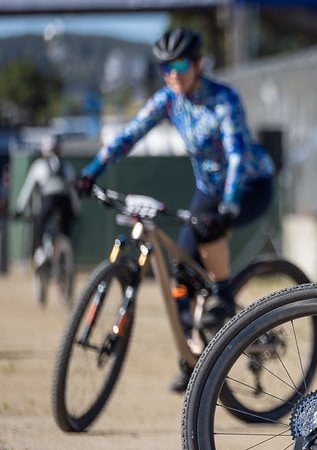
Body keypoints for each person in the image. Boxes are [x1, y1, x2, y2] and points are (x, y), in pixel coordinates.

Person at [75, 28, 277, 392]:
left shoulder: (223, 99)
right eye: (165, 67)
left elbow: (236, 155)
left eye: (181, 65)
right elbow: (129, 134)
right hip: (208, 189)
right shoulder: (169, 99)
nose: (173, 74)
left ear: (198, 64)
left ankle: (223, 292)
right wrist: (91, 171)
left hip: (248, 185)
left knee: (209, 232)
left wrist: (230, 205)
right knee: (180, 269)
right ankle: (193, 360)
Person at [13, 134, 80, 267]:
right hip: (65, 202)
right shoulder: (66, 166)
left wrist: (19, 208)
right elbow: (74, 190)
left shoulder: (38, 166)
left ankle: (40, 252)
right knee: (64, 231)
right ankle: (63, 257)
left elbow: (28, 189)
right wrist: (77, 208)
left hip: (48, 201)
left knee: (39, 222)